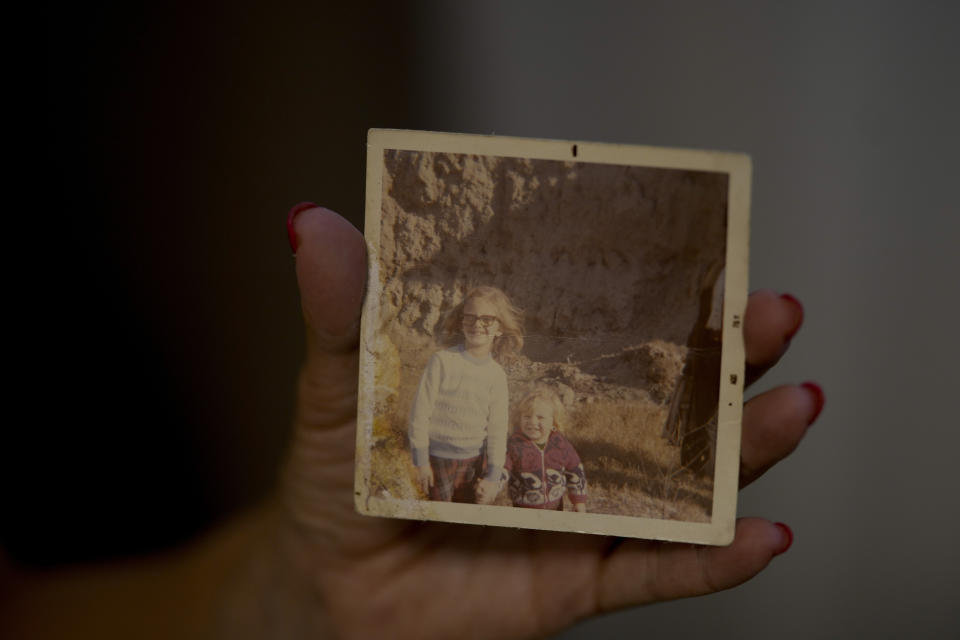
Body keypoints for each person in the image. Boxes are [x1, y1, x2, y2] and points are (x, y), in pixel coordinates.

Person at [0, 203, 823, 639]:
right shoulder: (440, 366)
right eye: (471, 324)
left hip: (482, 469)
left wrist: (299, 602)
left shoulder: (504, 383)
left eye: (491, 329)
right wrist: (428, 466)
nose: (478, 334)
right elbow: (429, 410)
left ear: (504, 336)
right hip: (440, 463)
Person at [409, 285, 523, 504]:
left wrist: (492, 476)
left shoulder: (496, 375)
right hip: (436, 460)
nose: (477, 325)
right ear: (461, 322)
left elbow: (497, 430)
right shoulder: (442, 361)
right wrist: (420, 462)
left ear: (499, 328)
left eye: (487, 319)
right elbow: (419, 415)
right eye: (470, 318)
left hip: (475, 463)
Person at [493, 387, 588, 511]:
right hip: (522, 509)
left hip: (556, 507)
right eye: (527, 416)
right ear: (519, 418)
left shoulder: (560, 444)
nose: (532, 422)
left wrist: (578, 502)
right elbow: (503, 468)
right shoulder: (515, 445)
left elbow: (575, 470)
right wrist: (492, 485)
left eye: (540, 417)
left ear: (553, 422)